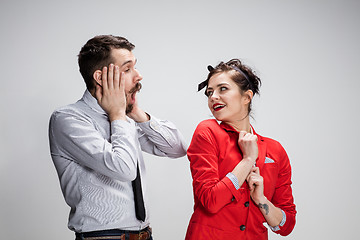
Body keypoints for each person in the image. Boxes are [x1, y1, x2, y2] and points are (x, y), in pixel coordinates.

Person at [48, 35, 187, 240]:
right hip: (103, 237)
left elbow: (177, 149)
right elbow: (123, 169)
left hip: (144, 235)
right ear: (100, 77)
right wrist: (118, 115)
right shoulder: (69, 119)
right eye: (128, 69)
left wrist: (137, 113)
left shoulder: (124, 118)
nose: (138, 76)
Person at [185, 59, 296, 240]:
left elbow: (286, 225)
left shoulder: (275, 151)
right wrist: (248, 160)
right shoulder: (207, 132)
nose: (213, 97)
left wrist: (261, 200)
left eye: (223, 89)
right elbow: (210, 201)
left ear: (247, 97)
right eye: (209, 92)